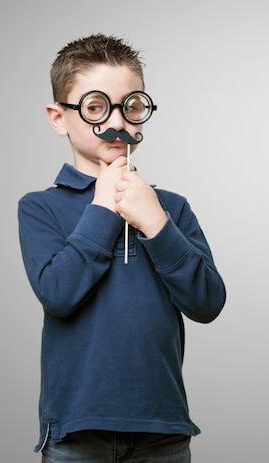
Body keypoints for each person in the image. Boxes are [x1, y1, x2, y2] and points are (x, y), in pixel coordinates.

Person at [17, 33, 226, 463]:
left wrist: (156, 222)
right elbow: (58, 294)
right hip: (77, 429)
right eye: (96, 107)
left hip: (162, 427)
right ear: (59, 117)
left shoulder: (170, 207)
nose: (118, 123)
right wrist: (102, 207)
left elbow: (207, 302)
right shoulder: (40, 207)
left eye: (130, 106)